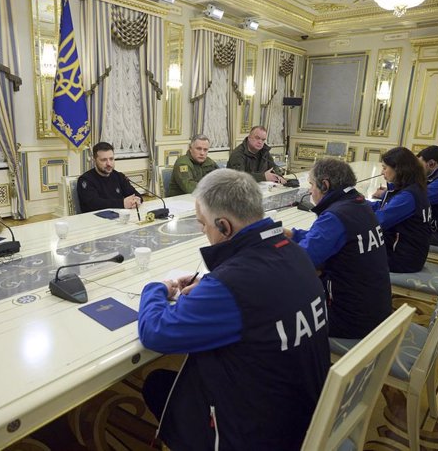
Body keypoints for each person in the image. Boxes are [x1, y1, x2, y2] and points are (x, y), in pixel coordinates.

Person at [138, 169, 330, 450]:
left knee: (158, 384)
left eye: (204, 225)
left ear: (224, 226)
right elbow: (261, 295)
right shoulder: (293, 251)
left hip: (259, 434)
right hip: (305, 412)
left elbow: (155, 332)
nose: (204, 232)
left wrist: (155, 289)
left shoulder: (230, 286)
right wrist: (211, 291)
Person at [288, 158, 392, 338]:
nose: (310, 190)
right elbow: (332, 239)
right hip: (374, 309)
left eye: (312, 184)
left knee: (273, 314)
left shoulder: (335, 216)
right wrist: (294, 235)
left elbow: (301, 263)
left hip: (349, 319)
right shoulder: (358, 204)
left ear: (325, 185)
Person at [369, 147, 432, 273]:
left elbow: (377, 222)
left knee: (346, 256)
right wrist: (356, 202)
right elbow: (382, 208)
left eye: (385, 168)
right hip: (408, 253)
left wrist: (351, 213)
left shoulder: (407, 197)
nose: (382, 172)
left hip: (402, 258)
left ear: (398, 169)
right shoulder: (412, 187)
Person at [77, 141, 142, 213]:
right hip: (95, 220)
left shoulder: (119, 176)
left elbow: (135, 194)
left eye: (111, 159)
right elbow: (93, 204)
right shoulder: (86, 179)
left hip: (118, 217)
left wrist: (136, 200)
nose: (109, 163)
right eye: (104, 160)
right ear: (94, 161)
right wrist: (122, 203)